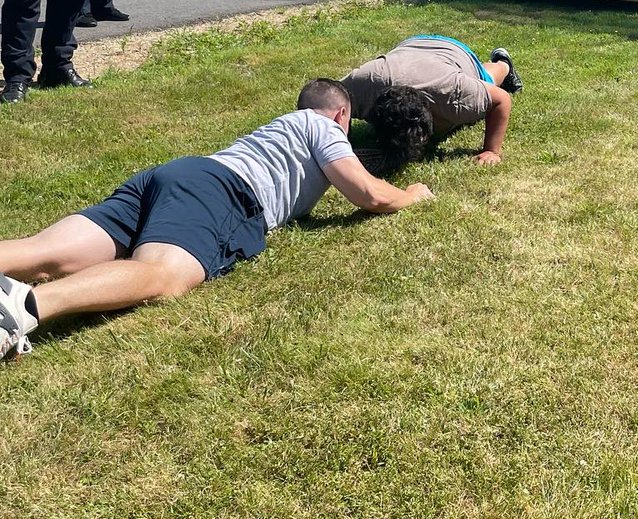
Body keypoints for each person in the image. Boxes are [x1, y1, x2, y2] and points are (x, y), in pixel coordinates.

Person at [0, 78, 435, 358]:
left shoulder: (281, 129)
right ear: (341, 114)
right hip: (223, 192)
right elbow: (369, 194)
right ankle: (28, 306)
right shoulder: (321, 127)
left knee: (45, 252)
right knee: (164, 275)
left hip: (175, 175)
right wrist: (412, 194)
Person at [341, 36, 522, 166]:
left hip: (454, 51)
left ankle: (503, 63)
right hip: (412, 45)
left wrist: (491, 151)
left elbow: (501, 99)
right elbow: (328, 98)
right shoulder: (364, 85)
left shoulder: (455, 94)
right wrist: (343, 139)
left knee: (487, 79)